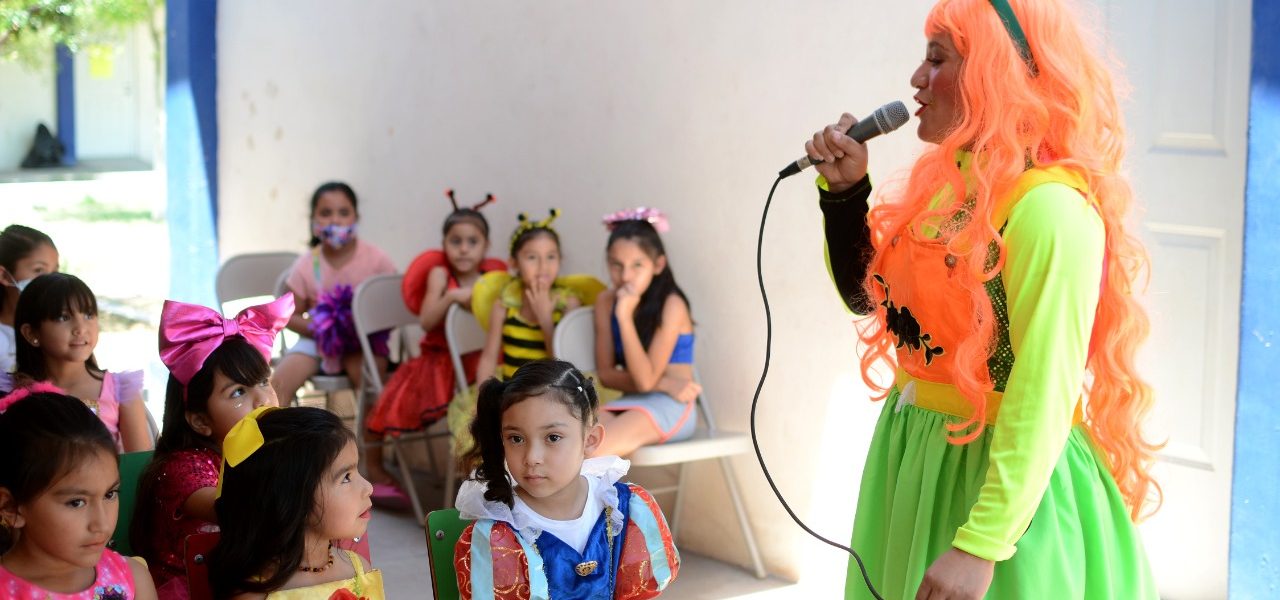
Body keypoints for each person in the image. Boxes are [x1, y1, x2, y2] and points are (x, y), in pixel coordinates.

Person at [804, 0, 1159, 597]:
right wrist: (844, 196)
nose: (917, 79)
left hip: (1001, 493)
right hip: (919, 462)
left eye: (937, 59)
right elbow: (873, 302)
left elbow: (1042, 395)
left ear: (996, 71)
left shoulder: (1050, 210)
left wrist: (982, 543)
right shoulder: (948, 186)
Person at [454, 360, 679, 600]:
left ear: (590, 440)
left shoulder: (625, 509)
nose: (532, 458)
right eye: (516, 439)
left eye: (553, 437)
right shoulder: (498, 536)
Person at [131, 294, 290, 597]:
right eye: (238, 392)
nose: (262, 400)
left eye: (263, 382)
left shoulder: (257, 451)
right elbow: (232, 510)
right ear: (200, 421)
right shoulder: (182, 467)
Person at [363, 190, 505, 506]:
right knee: (389, 407)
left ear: (486, 246)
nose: (464, 248)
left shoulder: (490, 278)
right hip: (438, 361)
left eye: (472, 241)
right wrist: (452, 297)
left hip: (477, 360)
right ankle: (374, 467)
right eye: (456, 241)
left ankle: (488, 477)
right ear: (444, 244)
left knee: (491, 406)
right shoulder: (441, 275)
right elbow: (427, 321)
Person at [445, 210, 603, 457]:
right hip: (513, 397)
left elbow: (567, 368)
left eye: (551, 257)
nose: (543, 267)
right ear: (514, 263)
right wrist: (482, 401)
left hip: (555, 400)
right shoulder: (505, 304)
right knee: (488, 439)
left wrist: (545, 320)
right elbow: (488, 358)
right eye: (532, 257)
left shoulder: (567, 304)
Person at [0, 387, 158, 599]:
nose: (102, 524)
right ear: (10, 507)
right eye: (76, 502)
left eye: (110, 494)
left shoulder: (133, 579)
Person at [208, 407, 382, 599]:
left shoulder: (360, 570)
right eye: (346, 477)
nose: (368, 487)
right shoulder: (255, 596)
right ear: (293, 500)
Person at [271, 181, 397, 405]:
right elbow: (288, 314)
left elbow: (394, 306)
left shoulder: (377, 260)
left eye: (344, 213)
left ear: (356, 217)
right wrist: (324, 330)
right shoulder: (307, 264)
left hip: (363, 342)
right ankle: (274, 428)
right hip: (316, 342)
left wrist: (358, 331)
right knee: (278, 385)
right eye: (326, 213)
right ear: (313, 220)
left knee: (370, 386)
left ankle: (370, 429)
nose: (335, 220)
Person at [591, 209, 701, 456]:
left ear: (658, 264)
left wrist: (624, 317)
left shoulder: (672, 305)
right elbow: (606, 375)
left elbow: (644, 381)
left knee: (595, 451)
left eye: (637, 265)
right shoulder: (605, 301)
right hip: (631, 400)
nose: (625, 276)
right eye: (616, 265)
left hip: (672, 405)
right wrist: (665, 383)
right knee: (570, 442)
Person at [12, 273, 151, 452]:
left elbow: (140, 463)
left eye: (88, 315)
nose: (81, 328)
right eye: (63, 317)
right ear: (31, 333)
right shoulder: (11, 392)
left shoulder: (122, 390)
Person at [0, 225, 59, 392]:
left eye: (55, 271)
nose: (49, 281)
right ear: (4, 275)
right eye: (39, 270)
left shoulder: (57, 329)